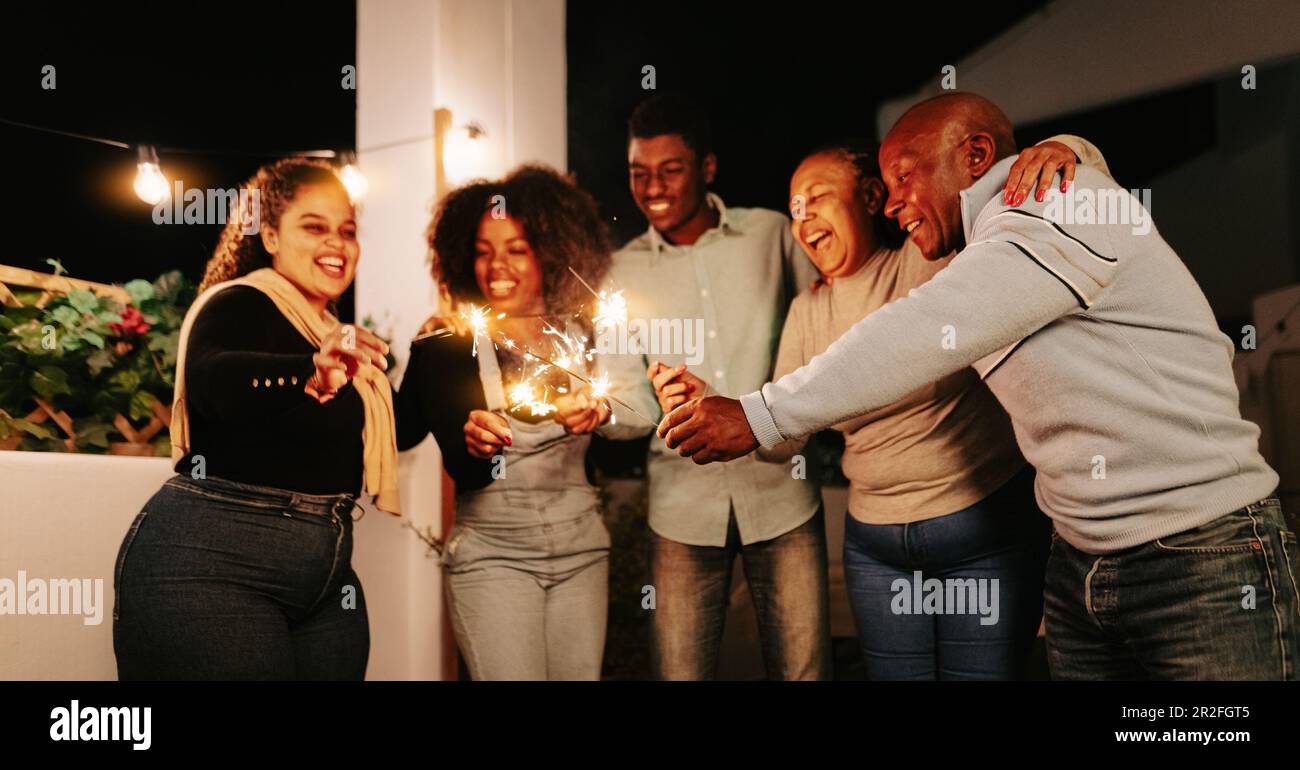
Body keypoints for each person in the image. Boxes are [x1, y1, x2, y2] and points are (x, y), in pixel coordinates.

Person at [659, 92, 1299, 680]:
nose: (893, 200)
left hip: (1200, 557)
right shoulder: (978, 248)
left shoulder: (1055, 202)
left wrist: (759, 413)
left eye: (905, 176)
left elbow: (920, 326)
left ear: (976, 157)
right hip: (1078, 562)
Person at [761, 134, 1106, 679]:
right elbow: (782, 439)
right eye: (794, 209)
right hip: (875, 548)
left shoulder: (928, 262)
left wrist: (1070, 148)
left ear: (872, 198)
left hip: (982, 530)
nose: (804, 219)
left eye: (819, 197)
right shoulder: (809, 309)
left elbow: (1008, 196)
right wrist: (716, 405)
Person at [113, 157, 397, 680]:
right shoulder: (239, 303)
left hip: (327, 575)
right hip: (211, 565)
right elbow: (215, 383)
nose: (336, 243)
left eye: (347, 231)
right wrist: (308, 371)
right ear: (269, 235)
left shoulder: (333, 335)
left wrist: (445, 355)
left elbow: (394, 431)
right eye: (314, 227)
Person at [597, 92, 831, 680]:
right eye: (638, 173)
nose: (652, 187)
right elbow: (626, 405)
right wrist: (601, 410)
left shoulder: (772, 235)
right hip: (681, 507)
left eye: (670, 170)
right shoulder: (620, 271)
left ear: (706, 168)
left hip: (783, 495)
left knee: (805, 673)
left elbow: (825, 334)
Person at [398, 165, 616, 680]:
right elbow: (403, 432)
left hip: (584, 549)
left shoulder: (587, 335)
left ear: (552, 250)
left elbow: (633, 425)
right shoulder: (447, 343)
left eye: (516, 249)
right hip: (492, 555)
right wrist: (466, 433)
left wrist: (602, 412)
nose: (497, 265)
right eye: (482, 249)